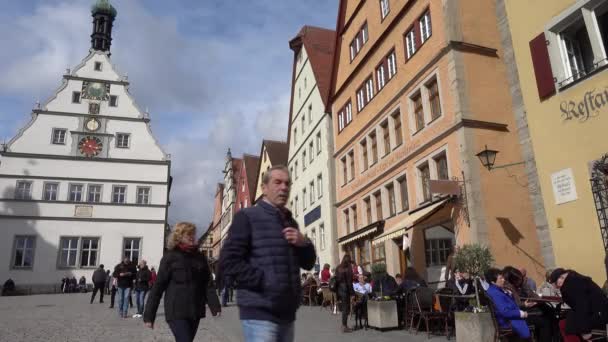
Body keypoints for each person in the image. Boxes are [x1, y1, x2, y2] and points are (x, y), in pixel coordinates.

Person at [219, 165, 316, 342]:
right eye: (277, 182)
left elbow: (308, 263)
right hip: (259, 311)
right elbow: (228, 261)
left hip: (287, 312)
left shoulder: (291, 222)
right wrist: (264, 280)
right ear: (264, 188)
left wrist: (304, 243)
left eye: (287, 183)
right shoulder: (247, 217)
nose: (284, 187)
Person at [144, 222, 211, 342]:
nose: (192, 236)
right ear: (179, 236)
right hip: (176, 310)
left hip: (195, 309)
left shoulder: (200, 257)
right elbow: (158, 287)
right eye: (188, 234)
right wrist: (149, 315)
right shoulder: (170, 257)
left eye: (193, 234)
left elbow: (207, 283)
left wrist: (215, 306)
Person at [485, 268, 553, 342]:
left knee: (543, 316)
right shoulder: (496, 293)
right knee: (544, 322)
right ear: (493, 282)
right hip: (511, 321)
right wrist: (521, 313)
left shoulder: (495, 290)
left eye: (503, 278)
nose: (503, 280)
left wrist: (509, 295)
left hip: (512, 318)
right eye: (500, 278)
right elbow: (505, 311)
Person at [550, 268, 608, 341]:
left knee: (565, 325)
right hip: (597, 311)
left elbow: (582, 306)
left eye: (555, 283)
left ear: (561, 277)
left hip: (599, 314)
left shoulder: (572, 284)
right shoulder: (573, 279)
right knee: (565, 322)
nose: (555, 287)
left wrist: (585, 330)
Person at [335, 254, 354, 333]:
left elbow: (336, 279)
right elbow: (349, 282)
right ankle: (344, 326)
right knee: (346, 308)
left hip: (339, 289)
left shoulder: (338, 267)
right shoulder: (348, 268)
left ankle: (344, 325)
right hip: (345, 289)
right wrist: (352, 293)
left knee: (344, 308)